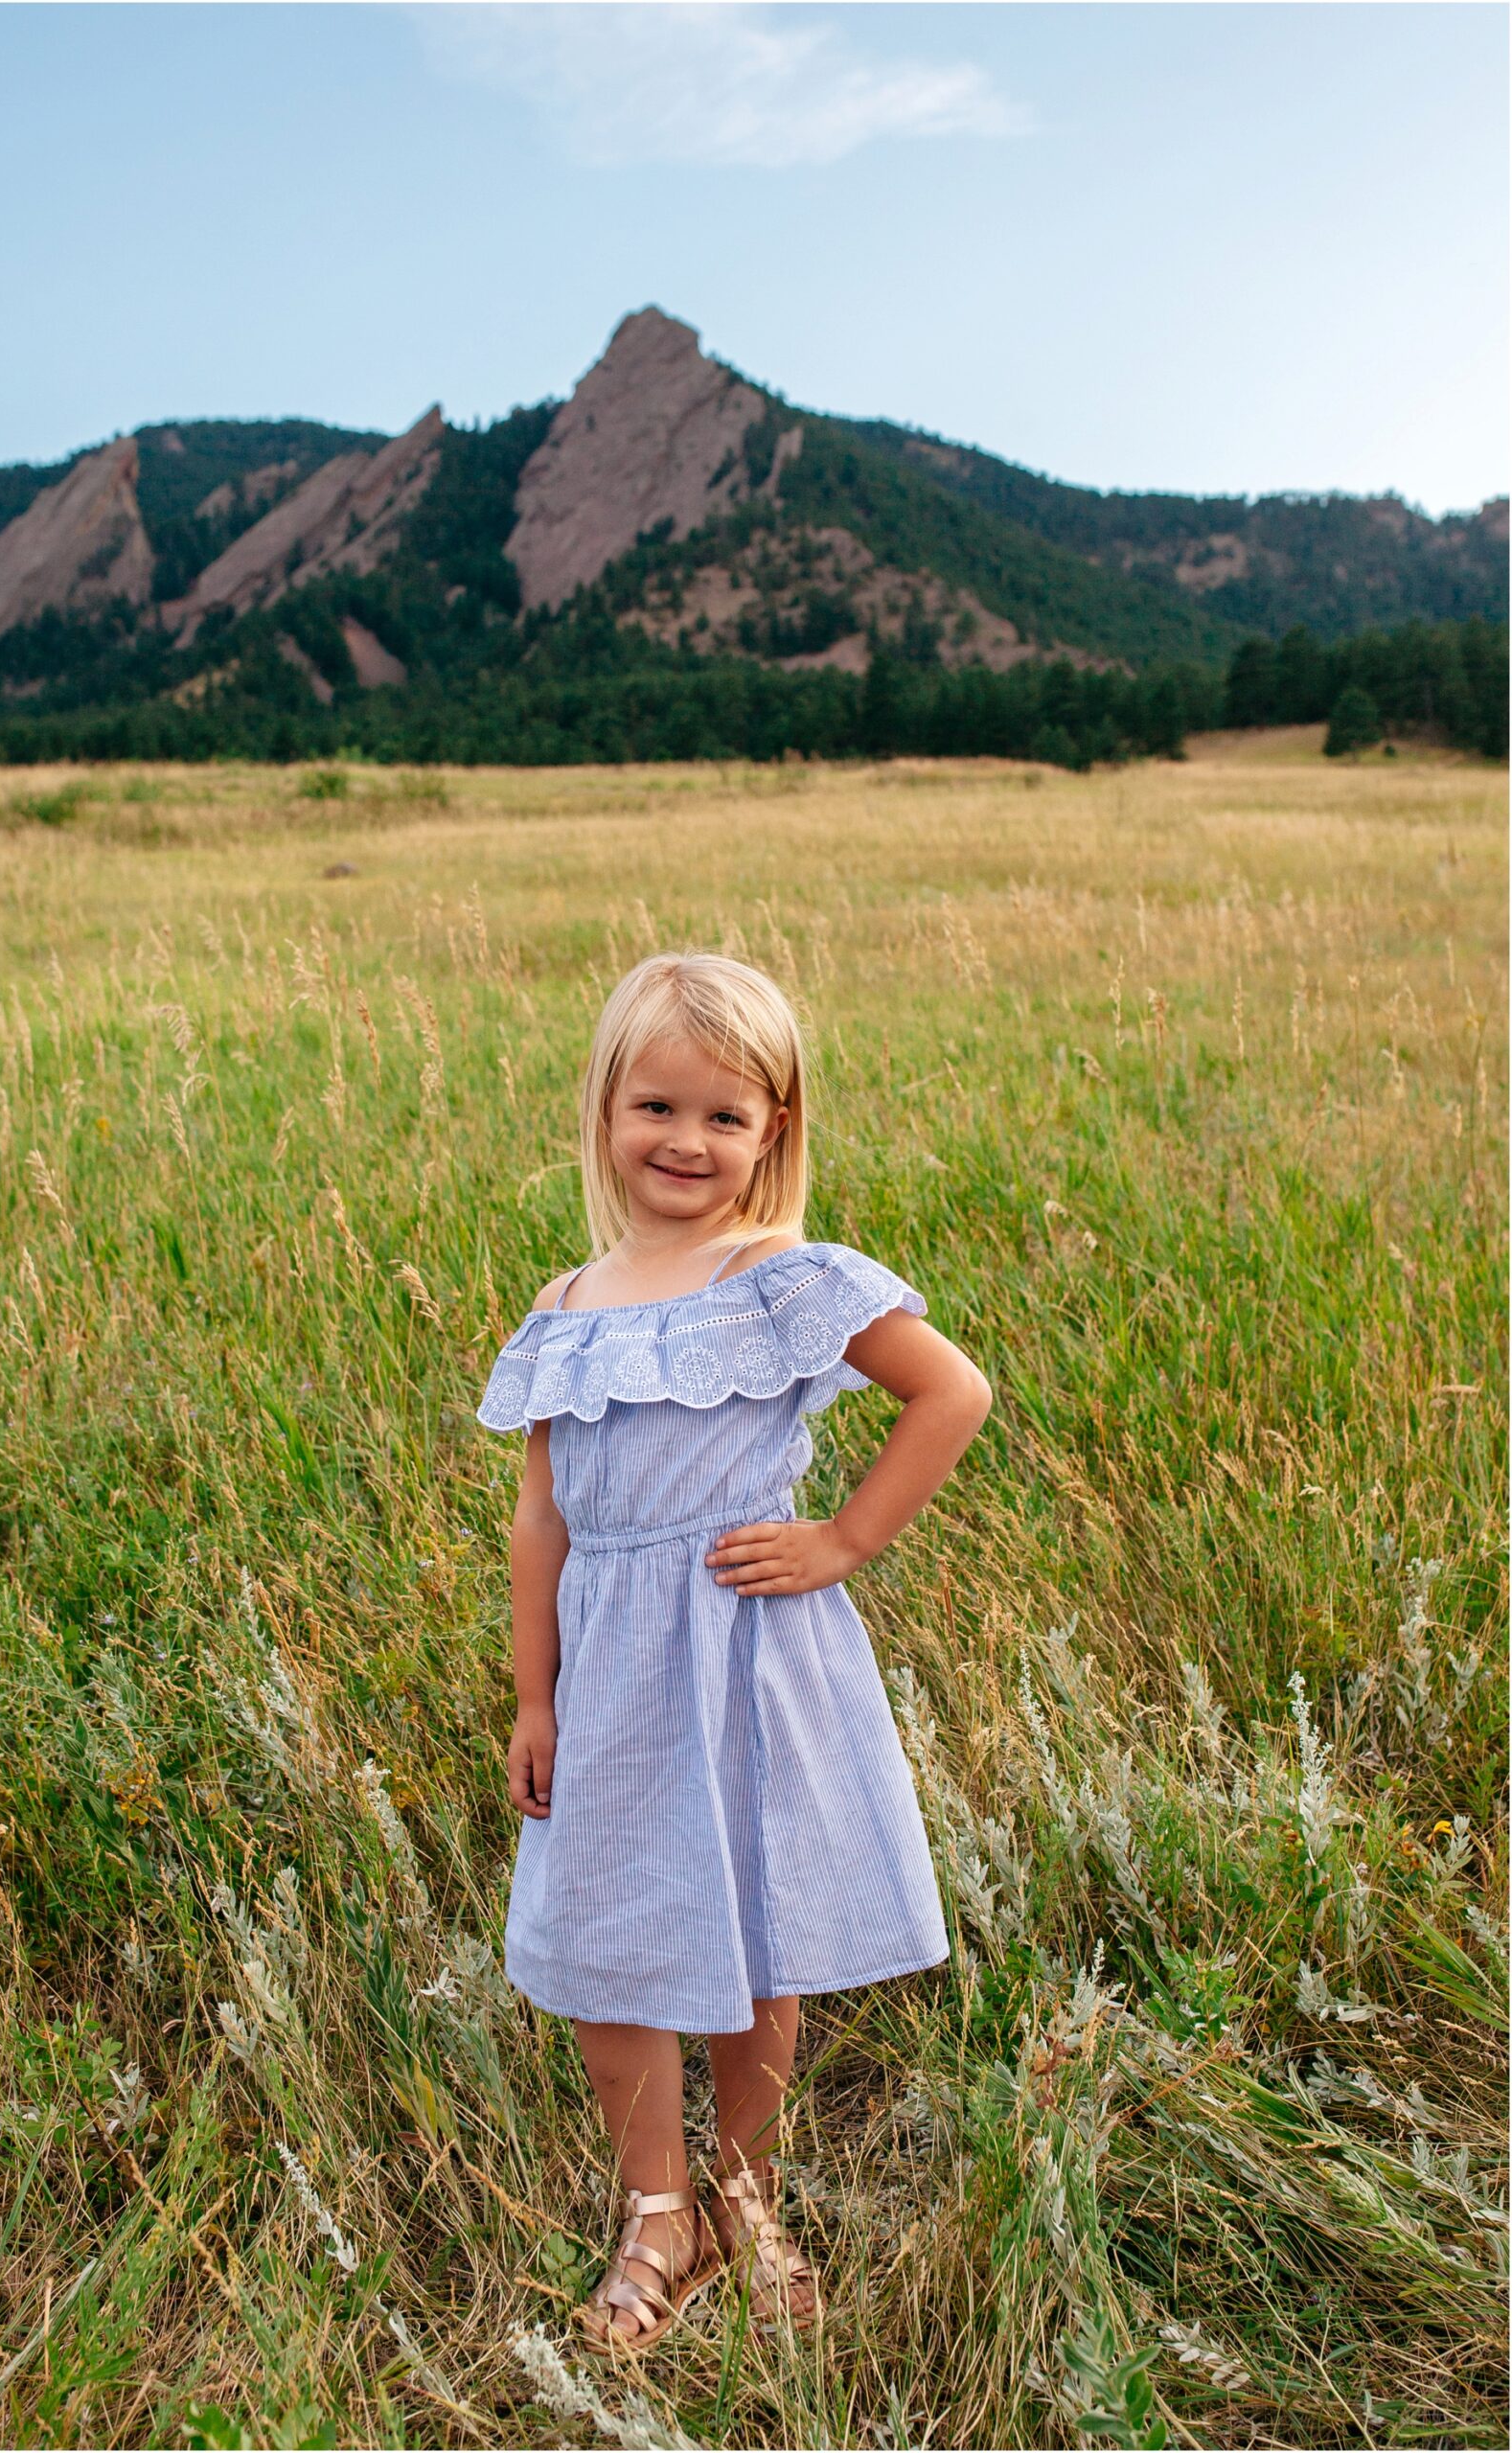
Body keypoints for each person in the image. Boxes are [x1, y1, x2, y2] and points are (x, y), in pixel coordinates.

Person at [476, 951, 993, 2354]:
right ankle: (659, 2211)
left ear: (774, 1129)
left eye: (725, 1115)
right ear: (605, 1110)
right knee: (612, 1928)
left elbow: (951, 1391)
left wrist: (843, 1540)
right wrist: (535, 1696)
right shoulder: (565, 1306)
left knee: (758, 1923)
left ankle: (747, 2186)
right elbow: (541, 1519)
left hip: (750, 1651)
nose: (687, 1141)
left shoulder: (779, 1279)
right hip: (610, 1669)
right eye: (657, 1106)